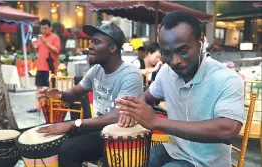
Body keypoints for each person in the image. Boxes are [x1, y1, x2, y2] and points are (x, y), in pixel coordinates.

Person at [116, 11, 244, 167]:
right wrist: (133, 110)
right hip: (174, 150)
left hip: (207, 163)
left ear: (201, 41)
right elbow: (148, 97)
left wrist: (156, 122)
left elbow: (228, 130)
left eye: (183, 51)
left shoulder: (226, 79)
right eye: (166, 53)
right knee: (131, 161)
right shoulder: (165, 72)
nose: (175, 61)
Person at [36, 21, 143, 167]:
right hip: (100, 128)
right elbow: (75, 92)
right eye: (91, 41)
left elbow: (116, 116)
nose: (90, 46)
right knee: (53, 137)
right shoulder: (96, 70)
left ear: (112, 48)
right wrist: (59, 94)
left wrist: (73, 123)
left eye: (96, 42)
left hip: (120, 135)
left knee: (68, 150)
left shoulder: (130, 75)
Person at [28, 19, 61, 113]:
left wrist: (46, 42)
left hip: (50, 68)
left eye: (45, 28)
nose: (43, 31)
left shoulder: (55, 37)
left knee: (50, 88)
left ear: (50, 28)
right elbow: (38, 48)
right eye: (42, 28)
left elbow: (57, 50)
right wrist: (34, 44)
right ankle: (37, 106)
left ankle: (51, 106)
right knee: (38, 88)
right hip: (40, 67)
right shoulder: (40, 37)